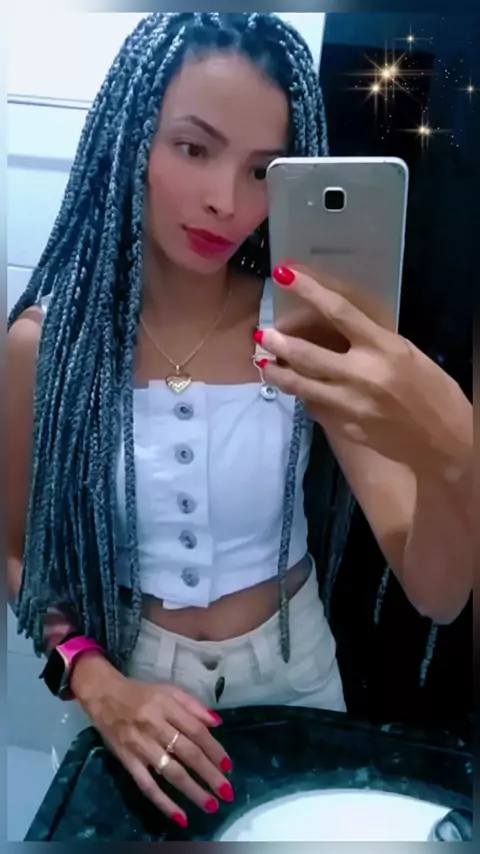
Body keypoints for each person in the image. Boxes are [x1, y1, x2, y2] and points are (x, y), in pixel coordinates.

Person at [7, 12, 472, 830]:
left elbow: (437, 592)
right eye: (194, 148)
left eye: (263, 169)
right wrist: (96, 682)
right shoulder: (49, 347)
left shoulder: (301, 331)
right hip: (133, 691)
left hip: (296, 679)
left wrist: (454, 456)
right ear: (131, 140)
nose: (228, 201)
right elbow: (16, 551)